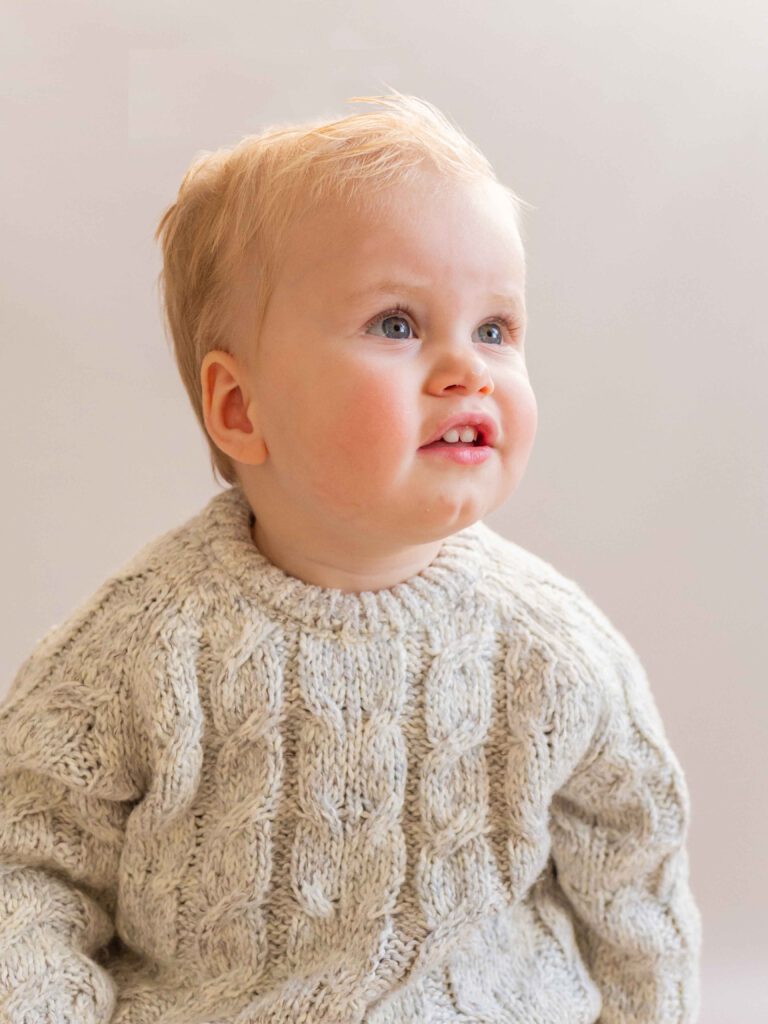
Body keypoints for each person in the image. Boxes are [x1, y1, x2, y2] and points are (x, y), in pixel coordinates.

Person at [0, 91, 702, 1023]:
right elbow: (26, 871)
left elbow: (639, 892)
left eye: (495, 329)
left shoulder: (555, 650)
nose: (469, 369)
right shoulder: (139, 647)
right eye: (398, 324)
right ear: (241, 408)